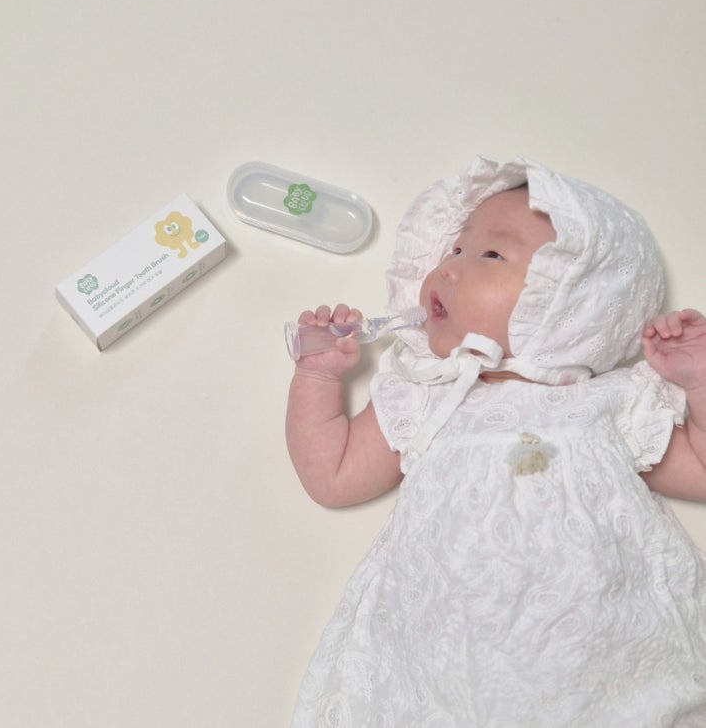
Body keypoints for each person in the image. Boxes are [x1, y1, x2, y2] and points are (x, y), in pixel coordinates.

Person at [286, 156, 706, 727]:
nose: (450, 269)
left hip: (594, 637)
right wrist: (316, 378)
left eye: (489, 256)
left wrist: (697, 385)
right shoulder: (426, 395)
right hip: (445, 645)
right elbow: (332, 476)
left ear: (573, 302)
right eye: (455, 248)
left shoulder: (610, 404)